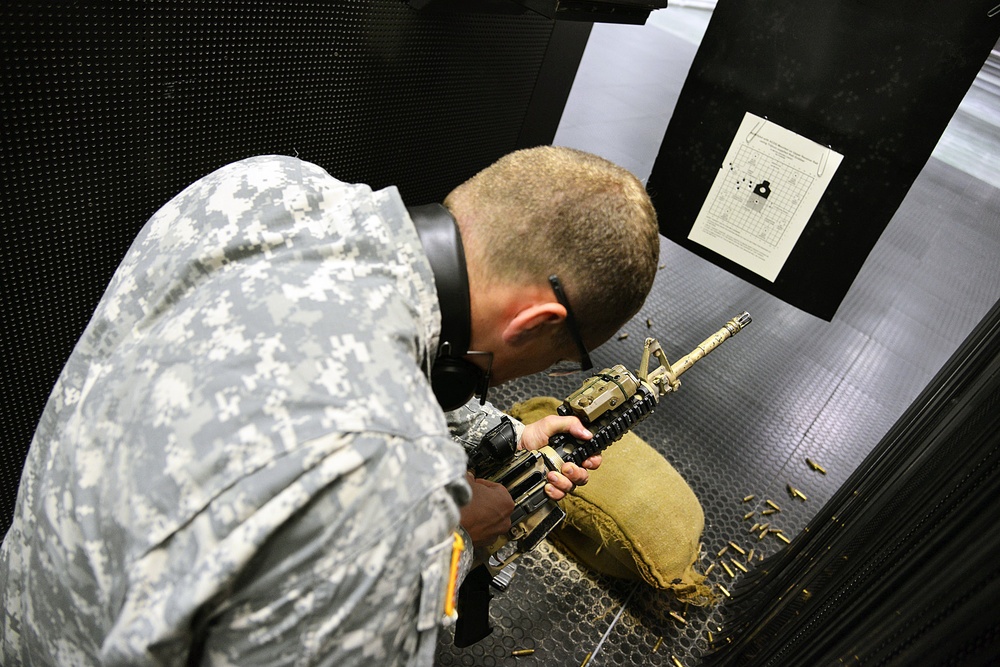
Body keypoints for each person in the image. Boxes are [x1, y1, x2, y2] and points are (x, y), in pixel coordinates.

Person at [0, 146, 660, 666]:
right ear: (535, 322)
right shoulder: (388, 496)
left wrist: (507, 438)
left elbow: (339, 353)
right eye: (554, 358)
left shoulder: (267, 187)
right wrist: (450, 540)